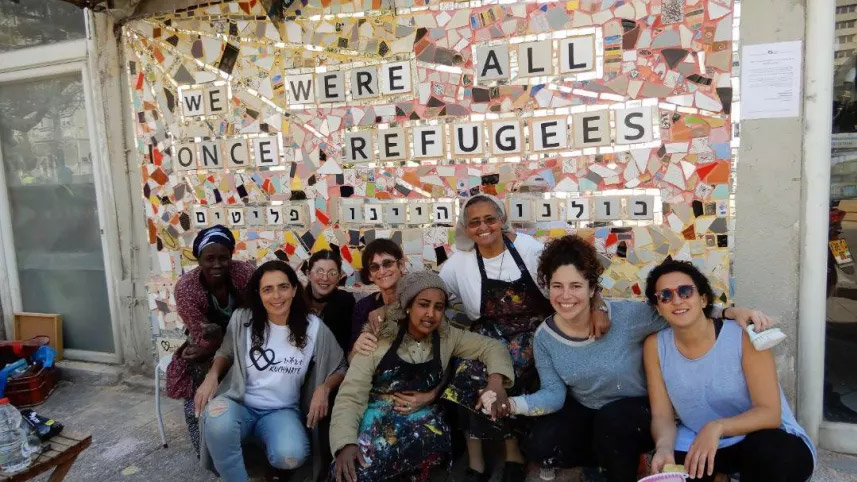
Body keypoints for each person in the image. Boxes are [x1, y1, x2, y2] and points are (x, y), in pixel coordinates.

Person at [495, 236, 776, 482]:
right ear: (547, 288)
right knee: (543, 444)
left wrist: (730, 313)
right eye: (557, 286)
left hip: (637, 409)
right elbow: (554, 395)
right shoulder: (545, 337)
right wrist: (511, 404)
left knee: (612, 422)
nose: (566, 295)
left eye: (576, 286)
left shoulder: (626, 317)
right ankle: (602, 460)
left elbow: (678, 311)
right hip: (588, 406)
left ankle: (620, 465)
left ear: (592, 288)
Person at [437, 194, 608, 482]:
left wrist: (599, 305)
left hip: (534, 332)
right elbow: (435, 294)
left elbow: (573, 271)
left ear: (502, 220)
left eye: (490, 219)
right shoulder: (459, 264)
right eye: (475, 222)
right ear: (466, 228)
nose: (483, 227)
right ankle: (477, 460)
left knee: (508, 370)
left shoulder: (528, 249)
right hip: (488, 335)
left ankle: (513, 453)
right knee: (467, 372)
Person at [330, 271, 515, 482]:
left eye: (438, 307)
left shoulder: (447, 336)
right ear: (408, 306)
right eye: (423, 304)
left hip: (423, 422)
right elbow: (351, 395)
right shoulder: (377, 338)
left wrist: (495, 382)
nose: (430, 314)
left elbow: (491, 347)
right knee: (357, 471)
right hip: (377, 419)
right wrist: (345, 443)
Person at [643, 260, 816, 482]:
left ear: (703, 298)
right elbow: (662, 415)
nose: (677, 300)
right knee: (674, 472)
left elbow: (770, 413)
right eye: (665, 296)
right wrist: (663, 446)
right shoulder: (655, 346)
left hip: (761, 437)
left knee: (772, 453)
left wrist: (718, 427)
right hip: (702, 442)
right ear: (658, 307)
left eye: (686, 291)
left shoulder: (744, 335)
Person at [195, 260, 347, 482]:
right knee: (216, 420)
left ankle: (263, 444)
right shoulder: (243, 319)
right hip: (239, 404)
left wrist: (324, 388)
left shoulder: (313, 327)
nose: (277, 296)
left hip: (282, 411)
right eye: (268, 289)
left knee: (291, 456)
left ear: (294, 289)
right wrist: (212, 375)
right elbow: (225, 353)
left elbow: (341, 365)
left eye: (283, 287)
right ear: (258, 293)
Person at [166, 225, 255, 455]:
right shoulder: (187, 288)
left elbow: (256, 314)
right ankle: (205, 447)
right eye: (210, 258)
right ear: (198, 259)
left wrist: (225, 336)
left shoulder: (244, 274)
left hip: (247, 336)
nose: (217, 264)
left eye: (223, 258)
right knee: (199, 375)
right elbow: (200, 333)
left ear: (231, 257)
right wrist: (211, 344)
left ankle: (248, 441)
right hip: (205, 343)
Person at [349, 239, 405, 357]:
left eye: (387, 263)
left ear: (401, 265)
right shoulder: (363, 307)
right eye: (374, 267)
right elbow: (350, 359)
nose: (382, 271)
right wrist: (356, 348)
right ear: (369, 275)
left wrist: (387, 310)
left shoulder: (417, 298)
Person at [305, 249, 356, 351]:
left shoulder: (346, 302)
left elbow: (346, 344)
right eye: (319, 271)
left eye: (332, 273)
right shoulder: (297, 302)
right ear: (308, 274)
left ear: (339, 277)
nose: (325, 278)